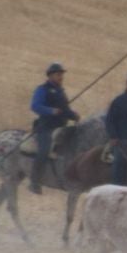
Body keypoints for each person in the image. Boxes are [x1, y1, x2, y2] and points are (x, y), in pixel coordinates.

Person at [29, 62, 80, 194]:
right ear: (51, 76)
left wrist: (73, 115)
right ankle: (34, 181)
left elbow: (65, 110)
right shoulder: (42, 89)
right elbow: (35, 106)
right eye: (58, 74)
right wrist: (50, 111)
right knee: (44, 149)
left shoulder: (61, 92)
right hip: (45, 128)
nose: (61, 77)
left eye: (62, 74)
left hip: (61, 127)